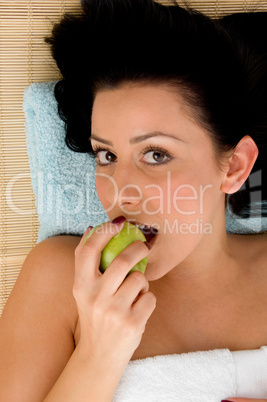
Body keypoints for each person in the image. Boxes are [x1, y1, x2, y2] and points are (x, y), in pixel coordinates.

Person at [0, 0, 267, 400]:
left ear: (234, 166)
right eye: (106, 156)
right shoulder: (59, 281)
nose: (119, 190)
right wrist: (99, 354)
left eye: (156, 154)